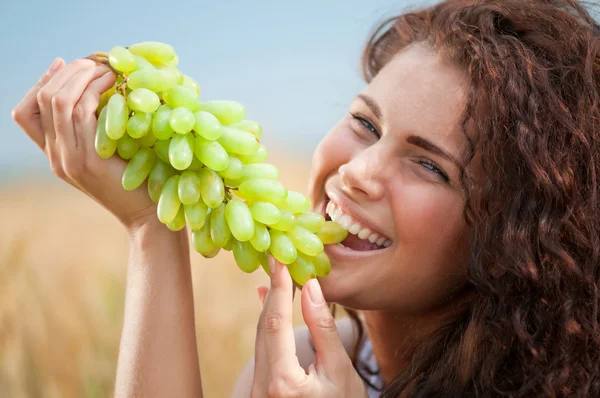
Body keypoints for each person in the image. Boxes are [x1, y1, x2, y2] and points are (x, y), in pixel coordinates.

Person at [12, 0, 600, 396]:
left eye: (428, 165)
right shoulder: (302, 364)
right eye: (366, 124)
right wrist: (151, 227)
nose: (358, 172)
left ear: (513, 238)